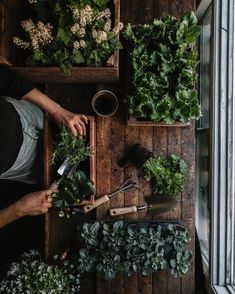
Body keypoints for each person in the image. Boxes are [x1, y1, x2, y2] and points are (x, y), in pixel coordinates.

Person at [0, 64, 88, 228]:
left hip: (30, 115)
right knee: (60, 177)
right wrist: (18, 209)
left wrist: (56, 110)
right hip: (26, 165)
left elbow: (4, 77)